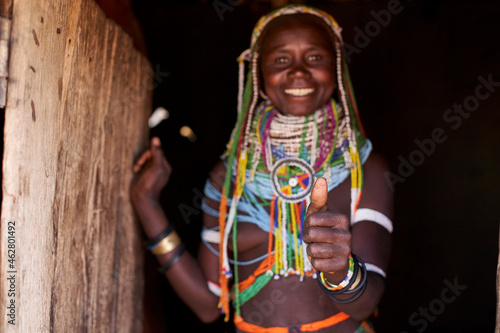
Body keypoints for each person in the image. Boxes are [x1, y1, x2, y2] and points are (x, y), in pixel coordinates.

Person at [130, 5, 393, 333]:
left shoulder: (362, 169)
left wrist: (342, 271)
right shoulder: (229, 178)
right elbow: (208, 306)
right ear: (258, 72)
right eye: (281, 59)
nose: (298, 72)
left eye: (314, 57)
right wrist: (147, 204)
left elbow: (366, 303)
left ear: (336, 67)